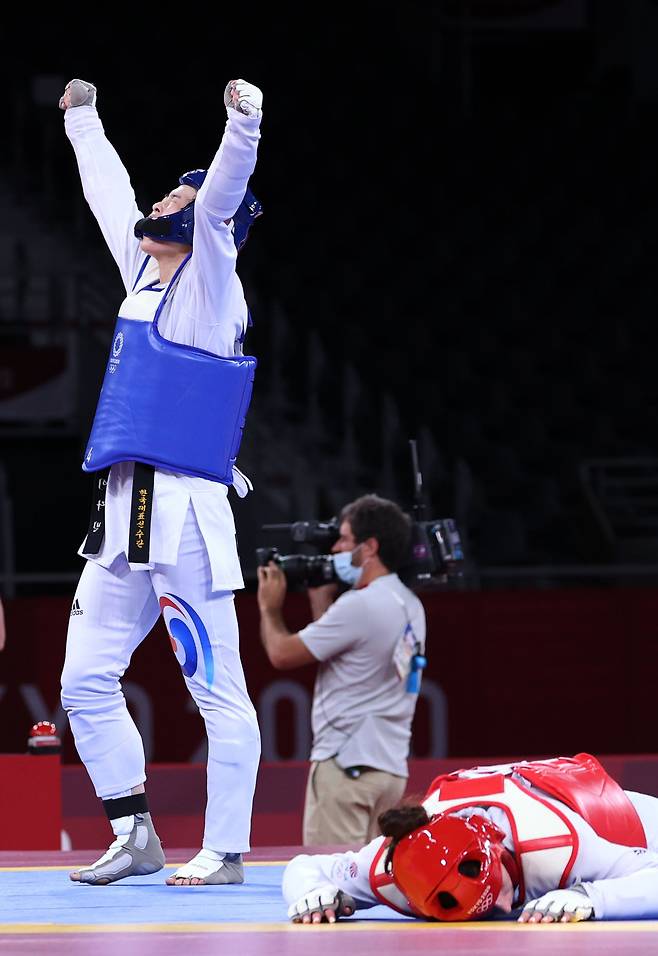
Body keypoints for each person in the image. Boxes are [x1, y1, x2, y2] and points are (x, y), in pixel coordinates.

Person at [58, 76, 264, 887]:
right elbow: (111, 197)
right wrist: (85, 121)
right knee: (82, 680)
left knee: (218, 691)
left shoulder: (214, 280)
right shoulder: (143, 275)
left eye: (178, 191)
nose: (162, 199)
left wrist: (241, 125)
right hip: (121, 511)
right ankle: (133, 830)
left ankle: (226, 849)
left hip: (182, 512)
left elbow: (218, 202)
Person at [282, 752, 658, 924]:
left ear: (498, 848)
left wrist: (590, 896)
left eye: (501, 891)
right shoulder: (389, 867)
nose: (508, 906)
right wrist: (310, 895)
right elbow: (306, 868)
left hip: (594, 801)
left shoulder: (560, 845)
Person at [257, 493, 427, 846]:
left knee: (329, 884)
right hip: (389, 770)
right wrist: (321, 601)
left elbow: (281, 654)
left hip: (345, 768)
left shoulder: (360, 605)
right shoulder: (410, 604)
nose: (335, 547)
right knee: (375, 884)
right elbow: (346, 648)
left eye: (345, 538)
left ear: (369, 548)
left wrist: (269, 607)